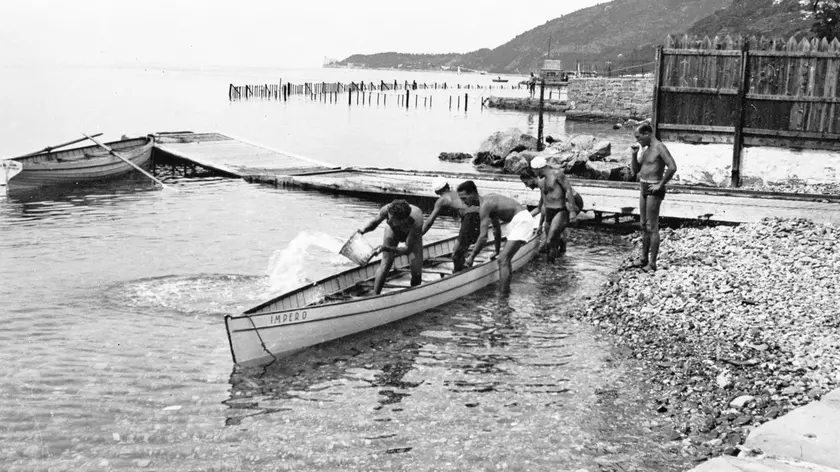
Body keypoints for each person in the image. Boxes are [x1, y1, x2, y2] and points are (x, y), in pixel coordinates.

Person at [458, 180, 538, 295]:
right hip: (518, 220)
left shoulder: (484, 206)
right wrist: (496, 250)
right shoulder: (488, 201)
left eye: (464, 198)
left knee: (503, 259)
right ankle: (504, 291)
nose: (463, 202)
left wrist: (471, 257)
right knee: (502, 258)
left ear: (473, 194)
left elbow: (483, 237)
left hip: (522, 220)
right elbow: (496, 229)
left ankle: (503, 295)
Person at [630, 123, 677, 272]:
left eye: (638, 137)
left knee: (652, 226)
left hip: (653, 187)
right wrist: (633, 154)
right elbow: (635, 171)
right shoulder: (645, 149)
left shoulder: (659, 147)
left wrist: (661, 184)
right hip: (643, 186)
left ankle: (652, 262)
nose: (638, 141)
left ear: (647, 134)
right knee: (643, 225)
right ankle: (643, 258)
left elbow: (672, 167)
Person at [357, 199, 424, 294]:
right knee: (385, 264)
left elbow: (407, 250)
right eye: (388, 218)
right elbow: (374, 223)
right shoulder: (387, 209)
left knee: (416, 271)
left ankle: (414, 295)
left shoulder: (416, 222)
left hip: (412, 236)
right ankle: (375, 296)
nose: (388, 221)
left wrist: (385, 248)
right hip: (392, 232)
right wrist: (363, 231)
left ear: (403, 220)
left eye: (392, 220)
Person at [529, 155, 583, 261]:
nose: (534, 173)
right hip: (549, 211)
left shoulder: (557, 174)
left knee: (550, 240)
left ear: (538, 169)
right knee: (552, 244)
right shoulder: (540, 180)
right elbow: (544, 199)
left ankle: (554, 266)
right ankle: (553, 267)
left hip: (560, 210)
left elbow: (568, 190)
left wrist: (572, 211)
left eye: (534, 171)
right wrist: (540, 222)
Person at [422, 178, 480, 272]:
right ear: (447, 186)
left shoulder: (441, 200)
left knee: (456, 254)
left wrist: (419, 235)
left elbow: (429, 221)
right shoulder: (458, 193)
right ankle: (464, 268)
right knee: (460, 250)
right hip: (476, 218)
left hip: (469, 219)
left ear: (436, 192)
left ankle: (458, 273)